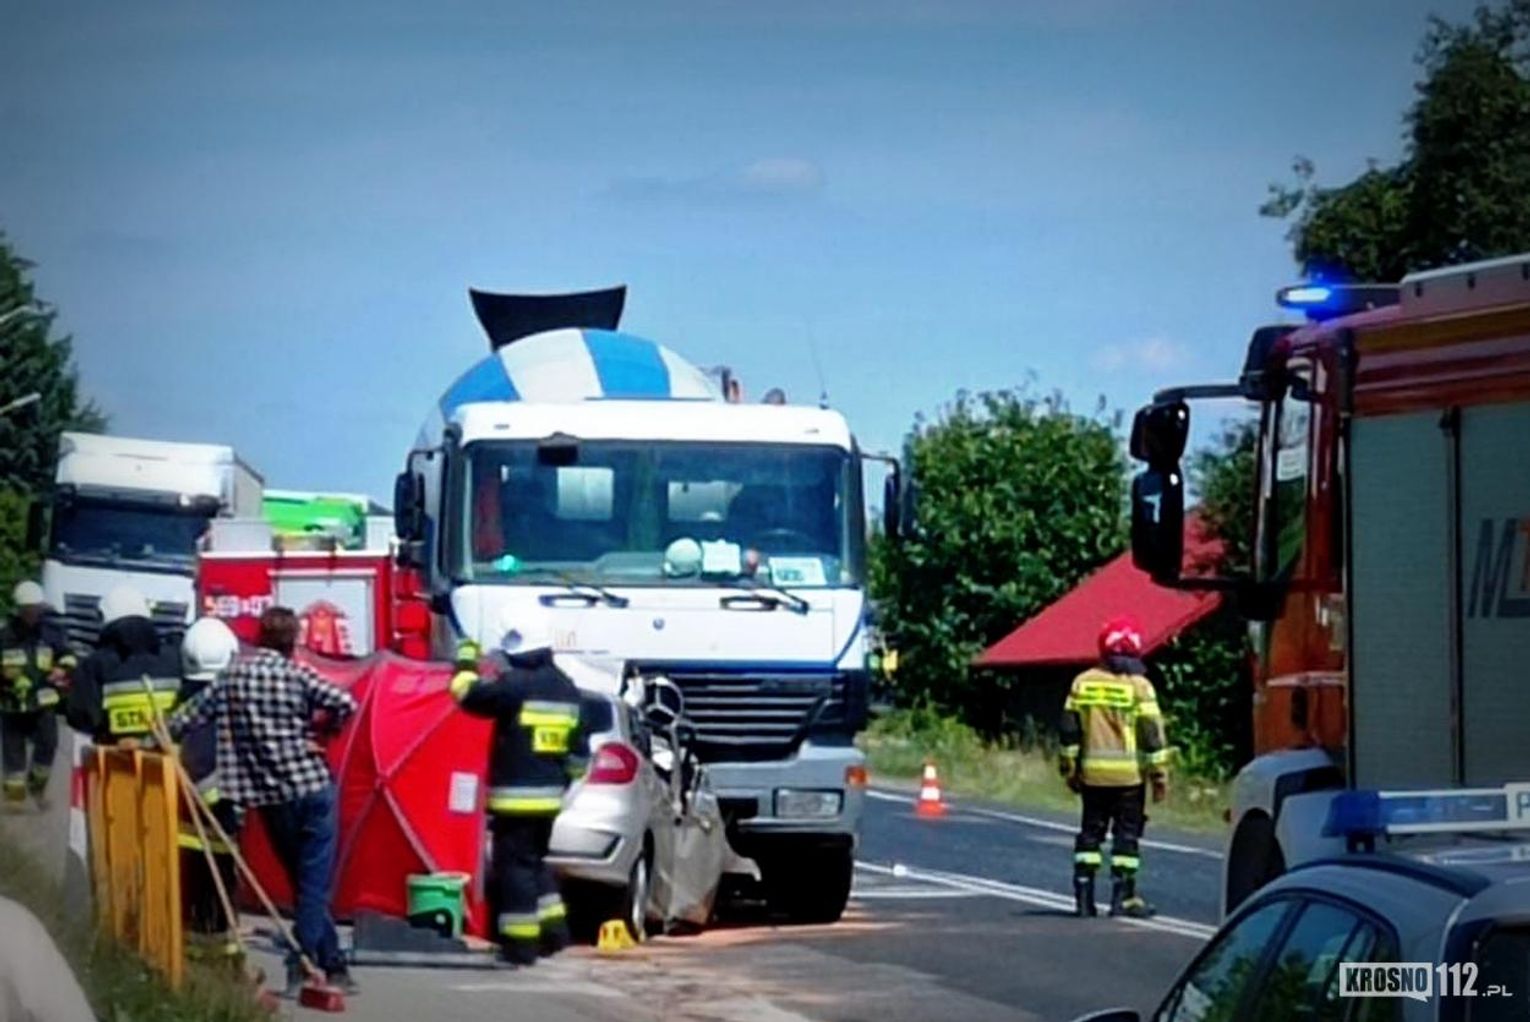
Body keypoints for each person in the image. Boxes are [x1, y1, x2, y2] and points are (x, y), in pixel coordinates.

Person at [167, 606, 358, 997]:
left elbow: (185, 719)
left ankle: (332, 962)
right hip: (312, 787)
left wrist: (153, 736)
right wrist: (321, 731)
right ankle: (302, 962)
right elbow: (344, 702)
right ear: (293, 642)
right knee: (313, 885)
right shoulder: (297, 673)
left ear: (259, 637)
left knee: (304, 884)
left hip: (270, 797)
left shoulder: (231, 676)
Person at [451, 607, 584, 965]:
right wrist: (562, 782)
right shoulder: (568, 689)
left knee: (513, 868)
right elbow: (579, 757)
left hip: (515, 798)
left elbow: (466, 695)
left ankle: (519, 945)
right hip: (551, 798)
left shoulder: (515, 686)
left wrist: (465, 659)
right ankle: (555, 932)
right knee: (533, 862)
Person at [1058, 615, 1170, 919]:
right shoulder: (1140, 686)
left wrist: (1069, 768)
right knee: (1126, 836)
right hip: (1130, 779)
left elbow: (1069, 730)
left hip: (1092, 777)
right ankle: (1122, 899)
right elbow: (1152, 735)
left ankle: (1083, 900)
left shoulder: (1082, 683)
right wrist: (1159, 776)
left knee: (1090, 836)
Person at [174, 616, 244, 962]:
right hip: (219, 812)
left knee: (199, 888)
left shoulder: (184, 701)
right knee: (218, 886)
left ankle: (212, 953)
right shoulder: (232, 699)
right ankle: (223, 956)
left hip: (193, 814)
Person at [65, 585, 181, 746]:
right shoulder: (174, 657)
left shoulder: (95, 664)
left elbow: (81, 717)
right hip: (168, 759)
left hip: (116, 760)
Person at [0, 581, 75, 808]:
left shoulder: (51, 633)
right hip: (11, 705)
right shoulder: (4, 635)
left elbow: (68, 656)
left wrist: (63, 669)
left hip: (43, 704)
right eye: (27, 609)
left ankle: (37, 787)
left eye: (36, 609)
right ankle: (14, 802)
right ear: (19, 609)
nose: (32, 613)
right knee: (13, 755)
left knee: (48, 745)